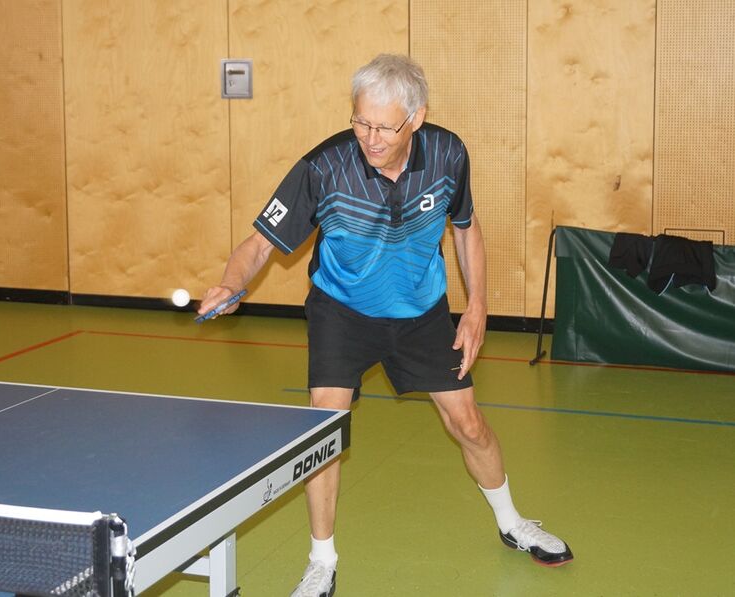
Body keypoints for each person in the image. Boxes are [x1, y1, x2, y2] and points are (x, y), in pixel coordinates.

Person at [198, 54, 572, 597]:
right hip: (342, 310)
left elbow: (465, 227)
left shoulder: (448, 154)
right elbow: (260, 244)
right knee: (323, 429)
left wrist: (477, 307)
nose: (369, 138)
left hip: (421, 310)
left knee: (469, 424)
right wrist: (230, 284)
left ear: (416, 118)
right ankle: (321, 561)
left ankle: (512, 522)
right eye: (360, 122)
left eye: (383, 127)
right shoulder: (324, 167)